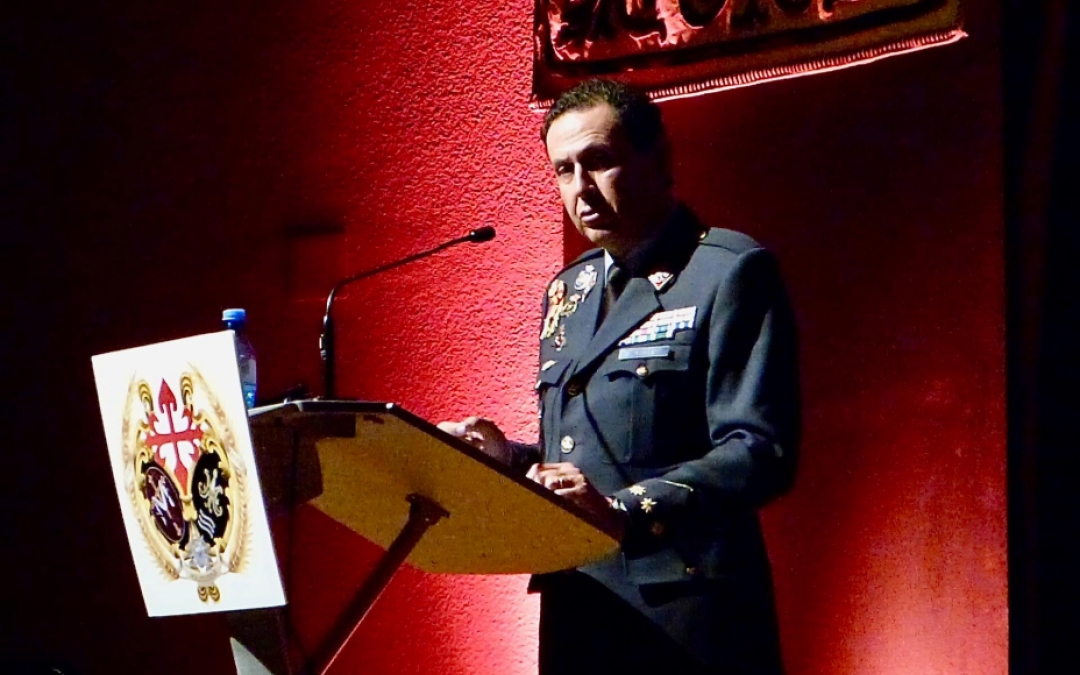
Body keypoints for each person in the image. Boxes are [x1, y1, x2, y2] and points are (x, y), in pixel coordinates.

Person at [439, 78, 799, 675]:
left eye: (599, 161)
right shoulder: (570, 290)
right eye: (563, 170)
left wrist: (625, 510)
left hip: (686, 616)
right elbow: (585, 456)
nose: (580, 188)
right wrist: (506, 458)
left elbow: (760, 450)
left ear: (658, 159)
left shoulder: (726, 272)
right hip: (581, 606)